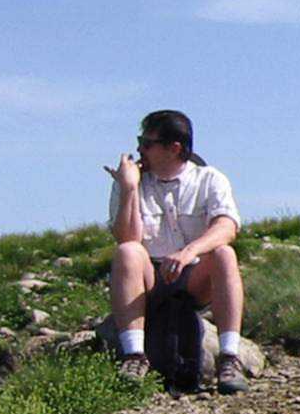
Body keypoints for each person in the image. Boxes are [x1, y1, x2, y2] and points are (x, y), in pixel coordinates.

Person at [104, 110, 250, 394]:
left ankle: (229, 357)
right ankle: (134, 356)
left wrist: (187, 253)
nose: (140, 150)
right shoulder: (128, 182)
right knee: (128, 252)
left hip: (194, 274)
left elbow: (227, 227)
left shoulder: (210, 179)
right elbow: (127, 237)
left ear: (174, 148)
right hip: (150, 276)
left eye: (147, 144)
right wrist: (130, 189)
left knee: (224, 254)